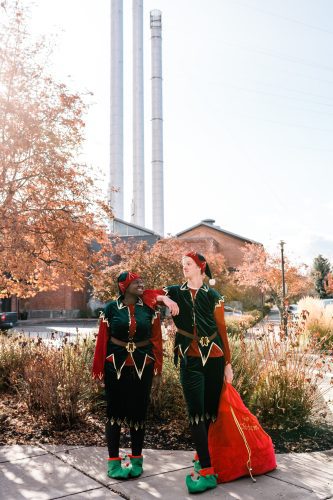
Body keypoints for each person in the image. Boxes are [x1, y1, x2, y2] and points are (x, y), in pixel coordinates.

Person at [157, 252, 233, 494]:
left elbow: (222, 330)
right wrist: (166, 301)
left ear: (201, 268)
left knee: (210, 412)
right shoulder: (175, 291)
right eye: (182, 265)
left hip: (214, 358)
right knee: (195, 414)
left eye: (188, 264)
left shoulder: (214, 296)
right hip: (188, 357)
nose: (184, 268)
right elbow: (147, 295)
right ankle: (208, 472)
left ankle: (202, 456)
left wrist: (228, 364)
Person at [92, 271, 166, 479]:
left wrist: (159, 370)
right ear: (124, 287)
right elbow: (102, 341)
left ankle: (136, 461)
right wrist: (97, 371)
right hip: (114, 365)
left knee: (138, 414)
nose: (141, 283)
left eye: (142, 280)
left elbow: (157, 341)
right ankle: (114, 463)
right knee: (114, 413)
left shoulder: (150, 310)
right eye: (135, 282)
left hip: (144, 365)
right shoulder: (110, 309)